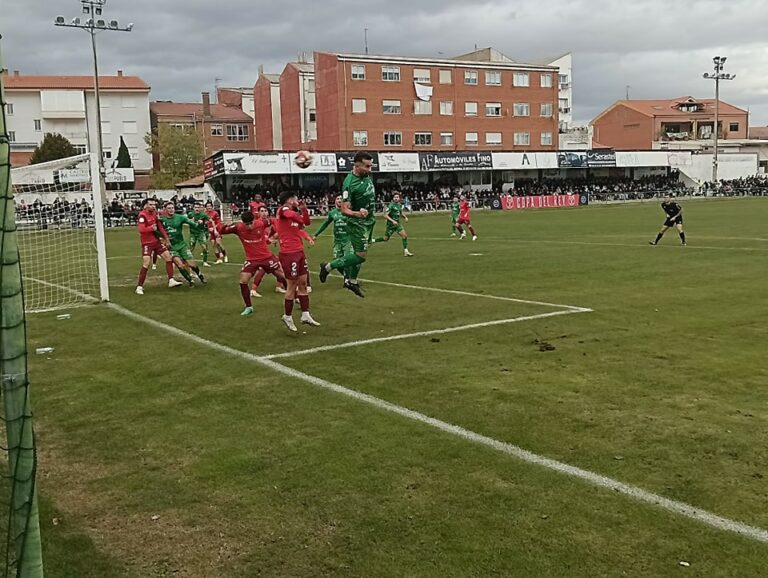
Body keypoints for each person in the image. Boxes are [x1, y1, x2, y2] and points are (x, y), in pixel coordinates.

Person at [319, 151, 375, 298]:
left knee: (357, 253)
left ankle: (352, 281)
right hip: (357, 222)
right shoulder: (349, 184)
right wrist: (358, 213)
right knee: (360, 256)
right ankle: (328, 267)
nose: (370, 169)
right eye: (367, 166)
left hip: (367, 221)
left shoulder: (365, 175)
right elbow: (344, 210)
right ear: (356, 166)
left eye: (371, 166)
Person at [220, 211, 287, 316]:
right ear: (243, 223)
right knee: (243, 281)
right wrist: (224, 225)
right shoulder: (238, 228)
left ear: (254, 220)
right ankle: (249, 307)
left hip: (266, 257)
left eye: (251, 223)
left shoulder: (261, 223)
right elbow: (221, 231)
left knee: (282, 276)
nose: (249, 226)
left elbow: (274, 220)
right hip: (251, 259)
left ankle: (293, 297)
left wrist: (276, 234)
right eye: (247, 224)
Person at [274, 192, 319, 331]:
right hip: (288, 254)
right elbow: (291, 216)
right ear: (289, 200)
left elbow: (306, 223)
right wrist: (298, 215)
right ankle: (287, 316)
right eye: (295, 199)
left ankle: (305, 314)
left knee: (303, 283)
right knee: (292, 285)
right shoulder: (283, 210)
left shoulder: (294, 214)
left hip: (299, 252)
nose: (297, 200)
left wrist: (304, 209)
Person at [135, 198, 182, 295]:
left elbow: (160, 226)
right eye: (151, 205)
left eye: (154, 205)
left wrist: (166, 238)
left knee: (168, 258)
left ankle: (171, 280)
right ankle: (139, 286)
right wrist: (151, 228)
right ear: (146, 206)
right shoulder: (142, 215)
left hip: (156, 241)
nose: (153, 206)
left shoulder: (155, 213)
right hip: (147, 243)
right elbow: (141, 229)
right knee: (146, 263)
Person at [159, 202, 206, 287]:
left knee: (192, 264)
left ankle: (200, 274)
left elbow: (193, 224)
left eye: (172, 208)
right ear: (165, 210)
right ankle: (190, 281)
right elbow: (157, 231)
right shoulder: (162, 220)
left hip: (182, 245)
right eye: (169, 208)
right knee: (179, 264)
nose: (171, 210)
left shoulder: (180, 217)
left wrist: (199, 223)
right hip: (171, 247)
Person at [249, 206, 287, 298]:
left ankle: (278, 286)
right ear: (258, 213)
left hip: (265, 251)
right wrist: (271, 240)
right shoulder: (257, 224)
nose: (264, 213)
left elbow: (274, 232)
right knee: (266, 268)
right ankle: (253, 290)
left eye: (265, 211)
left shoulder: (269, 223)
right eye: (261, 211)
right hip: (258, 251)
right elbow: (263, 238)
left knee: (278, 266)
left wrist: (275, 236)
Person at [313, 195, 353, 284]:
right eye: (337, 199)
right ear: (335, 202)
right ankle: (344, 275)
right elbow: (325, 224)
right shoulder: (332, 213)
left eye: (341, 199)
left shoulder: (349, 212)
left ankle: (347, 280)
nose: (339, 200)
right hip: (338, 240)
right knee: (337, 260)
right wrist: (316, 234)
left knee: (346, 259)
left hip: (348, 239)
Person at [187, 202, 212, 267]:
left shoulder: (203, 215)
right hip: (192, 233)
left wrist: (204, 222)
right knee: (191, 247)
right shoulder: (190, 214)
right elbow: (185, 221)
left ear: (200, 208)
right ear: (193, 208)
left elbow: (210, 220)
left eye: (198, 207)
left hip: (201, 233)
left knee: (204, 247)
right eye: (195, 207)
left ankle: (205, 262)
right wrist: (190, 221)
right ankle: (188, 261)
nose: (197, 209)